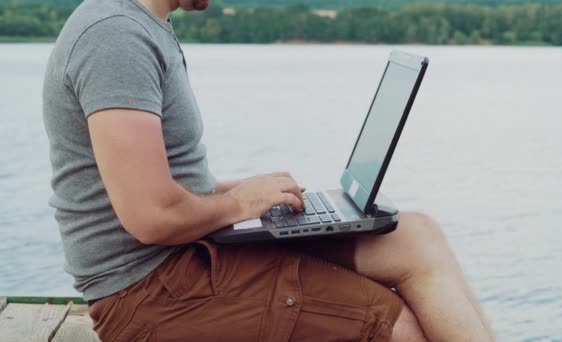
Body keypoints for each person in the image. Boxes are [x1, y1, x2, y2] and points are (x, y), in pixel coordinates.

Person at [42, 0, 494, 340]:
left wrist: (245, 192)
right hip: (151, 295)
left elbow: (163, 183)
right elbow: (151, 215)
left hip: (188, 259)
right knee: (394, 325)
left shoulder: (144, 24)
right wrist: (240, 204)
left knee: (415, 236)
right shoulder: (114, 37)